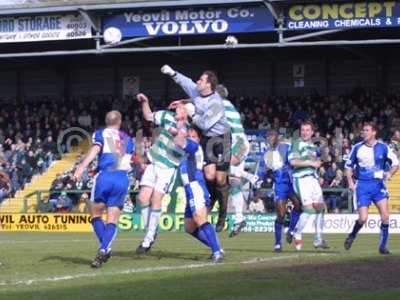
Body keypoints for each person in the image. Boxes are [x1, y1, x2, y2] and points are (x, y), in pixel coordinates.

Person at [162, 65, 231, 232]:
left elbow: (205, 124)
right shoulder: (199, 93)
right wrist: (172, 73)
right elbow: (186, 83)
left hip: (221, 139)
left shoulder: (216, 103)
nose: (197, 82)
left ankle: (222, 215)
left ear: (208, 84)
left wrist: (190, 111)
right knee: (209, 175)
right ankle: (211, 201)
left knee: (221, 180)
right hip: (207, 138)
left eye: (201, 80)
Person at [74, 110, 134, 268]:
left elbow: (95, 150)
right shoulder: (128, 139)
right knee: (113, 218)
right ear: (119, 122)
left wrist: (81, 167)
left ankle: (105, 247)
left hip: (105, 177)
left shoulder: (100, 134)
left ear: (106, 121)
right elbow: (130, 159)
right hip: (122, 178)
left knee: (95, 215)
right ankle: (104, 248)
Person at [135, 93, 191, 254]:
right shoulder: (166, 116)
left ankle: (148, 238)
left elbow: (180, 138)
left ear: (187, 111)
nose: (178, 108)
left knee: (156, 198)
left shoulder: (189, 128)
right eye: (178, 106)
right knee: (142, 198)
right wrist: (145, 102)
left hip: (168, 167)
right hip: (154, 162)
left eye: (181, 107)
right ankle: (150, 232)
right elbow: (148, 115)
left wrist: (180, 122)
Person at [344, 122, 399, 254]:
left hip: (378, 185)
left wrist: (390, 173)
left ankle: (382, 246)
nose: (364, 133)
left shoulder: (383, 147)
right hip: (362, 186)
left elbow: (396, 164)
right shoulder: (357, 148)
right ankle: (352, 236)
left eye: (367, 130)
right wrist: (350, 182)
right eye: (363, 130)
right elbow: (348, 167)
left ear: (374, 132)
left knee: (385, 216)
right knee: (363, 218)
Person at [176, 126, 224, 263]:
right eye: (189, 135)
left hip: (195, 186)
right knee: (189, 227)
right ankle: (217, 248)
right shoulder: (185, 151)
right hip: (189, 188)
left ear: (198, 139)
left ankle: (216, 251)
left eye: (193, 136)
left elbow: (180, 141)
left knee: (200, 218)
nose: (190, 138)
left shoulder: (195, 147)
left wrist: (178, 127)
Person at [215, 84, 255, 237]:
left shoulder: (221, 104)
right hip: (236, 143)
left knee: (222, 169)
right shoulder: (225, 105)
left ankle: (251, 177)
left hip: (238, 143)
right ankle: (239, 219)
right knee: (233, 182)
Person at [257, 130, 301, 252]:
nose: (269, 138)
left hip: (291, 183)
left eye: (271, 136)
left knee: (298, 206)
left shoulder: (287, 147)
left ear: (277, 137)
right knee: (280, 216)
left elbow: (295, 160)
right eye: (267, 137)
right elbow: (261, 170)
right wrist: (259, 179)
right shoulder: (266, 155)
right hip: (280, 185)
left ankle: (291, 230)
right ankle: (277, 244)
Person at [288, 120, 329, 250]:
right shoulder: (296, 144)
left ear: (312, 132)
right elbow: (293, 162)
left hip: (313, 179)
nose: (305, 132)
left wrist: (318, 169)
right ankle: (297, 232)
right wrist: (311, 164)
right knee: (309, 209)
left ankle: (318, 239)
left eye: (307, 130)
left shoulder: (313, 146)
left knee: (321, 208)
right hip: (301, 179)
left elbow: (315, 162)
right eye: (303, 130)